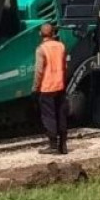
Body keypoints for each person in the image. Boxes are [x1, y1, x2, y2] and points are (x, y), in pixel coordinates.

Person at [33, 22, 68, 155]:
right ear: (53, 33)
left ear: (41, 34)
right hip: (60, 86)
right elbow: (65, 67)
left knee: (49, 116)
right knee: (61, 115)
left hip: (47, 88)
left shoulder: (41, 49)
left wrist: (35, 88)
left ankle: (53, 146)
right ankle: (63, 145)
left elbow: (39, 71)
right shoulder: (61, 47)